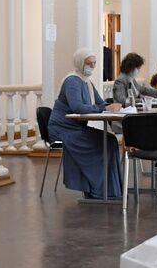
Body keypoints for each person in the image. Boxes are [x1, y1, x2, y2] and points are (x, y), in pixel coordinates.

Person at [47, 48, 123, 200]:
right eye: (89, 63)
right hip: (64, 130)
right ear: (80, 63)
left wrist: (111, 106)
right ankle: (96, 189)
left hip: (76, 128)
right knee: (104, 143)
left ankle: (110, 189)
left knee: (110, 140)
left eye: (94, 63)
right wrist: (105, 108)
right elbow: (78, 107)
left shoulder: (86, 82)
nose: (92, 67)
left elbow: (101, 102)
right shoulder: (72, 81)